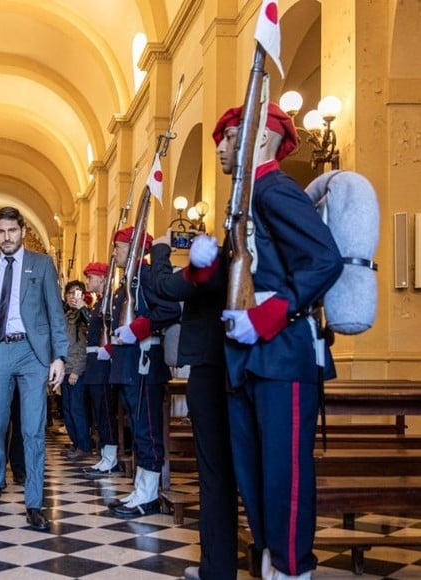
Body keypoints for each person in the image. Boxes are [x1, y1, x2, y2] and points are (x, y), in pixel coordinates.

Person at [194, 103, 343, 579]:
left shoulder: (276, 189)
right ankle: (268, 560)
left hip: (281, 355)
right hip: (246, 360)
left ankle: (293, 567)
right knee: (253, 474)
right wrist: (207, 264)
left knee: (284, 476)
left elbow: (324, 260)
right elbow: (250, 269)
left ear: (260, 137)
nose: (220, 145)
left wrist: (267, 317)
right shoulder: (244, 200)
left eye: (230, 135)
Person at [0, 206, 68, 531]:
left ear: (22, 231)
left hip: (32, 352)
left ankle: (34, 502)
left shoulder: (41, 264)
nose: (6, 237)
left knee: (33, 430)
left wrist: (59, 357)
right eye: (0, 231)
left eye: (12, 231)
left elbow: (56, 312)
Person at [150, 224, 237, 578]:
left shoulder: (219, 257)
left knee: (215, 473)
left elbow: (166, 287)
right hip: (249, 361)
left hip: (212, 364)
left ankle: (217, 568)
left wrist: (159, 250)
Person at [100, 226, 181, 521]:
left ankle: (148, 494)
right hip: (130, 363)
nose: (115, 252)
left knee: (146, 428)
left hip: (144, 361)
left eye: (119, 247)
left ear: (134, 248)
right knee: (137, 426)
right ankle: (139, 489)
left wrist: (137, 330)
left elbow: (170, 309)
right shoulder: (128, 282)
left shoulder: (145, 276)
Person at [80, 262, 117, 470]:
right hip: (94, 363)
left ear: (103, 278)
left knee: (105, 410)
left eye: (91, 277)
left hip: (103, 363)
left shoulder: (110, 301)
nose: (88, 281)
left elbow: (115, 329)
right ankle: (104, 454)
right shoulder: (98, 304)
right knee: (97, 411)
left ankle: (110, 456)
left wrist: (109, 351)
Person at [60, 280, 91, 459]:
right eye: (70, 293)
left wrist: (77, 370)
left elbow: (84, 346)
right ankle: (76, 442)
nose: (73, 297)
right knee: (67, 409)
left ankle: (84, 445)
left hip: (76, 370)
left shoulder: (84, 316)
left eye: (77, 293)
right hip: (64, 368)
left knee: (77, 408)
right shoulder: (65, 317)